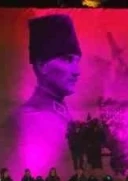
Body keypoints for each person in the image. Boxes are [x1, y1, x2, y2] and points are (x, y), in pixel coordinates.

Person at [8, 15, 81, 169]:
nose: (77, 71)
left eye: (77, 61)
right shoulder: (28, 118)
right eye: (67, 60)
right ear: (42, 65)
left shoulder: (64, 113)